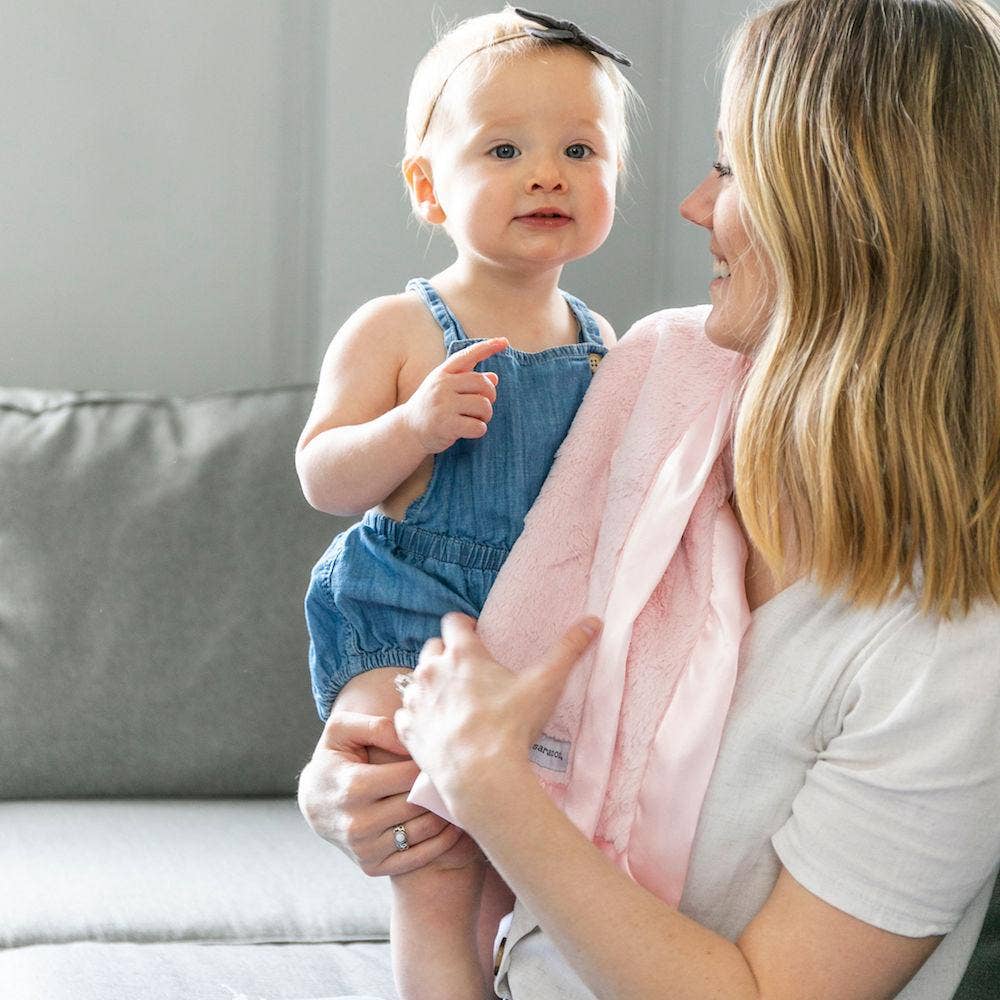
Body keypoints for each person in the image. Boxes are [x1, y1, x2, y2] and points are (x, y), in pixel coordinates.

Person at [298, 0, 1000, 997]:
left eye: (732, 168)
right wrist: (354, 788)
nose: (692, 205)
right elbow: (477, 642)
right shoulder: (660, 376)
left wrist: (490, 784)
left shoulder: (956, 644)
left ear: (842, 209)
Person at [295, 8, 637, 998]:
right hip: (406, 621)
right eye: (504, 149)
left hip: (532, 635)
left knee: (531, 862)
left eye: (581, 148)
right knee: (433, 846)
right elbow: (321, 473)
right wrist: (410, 428)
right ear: (426, 186)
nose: (547, 172)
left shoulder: (598, 335)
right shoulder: (401, 325)